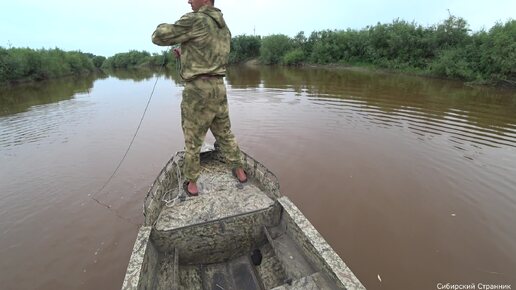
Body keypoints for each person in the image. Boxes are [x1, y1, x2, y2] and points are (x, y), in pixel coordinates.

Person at [152, 0, 247, 196]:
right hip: (218, 87)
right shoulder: (223, 26)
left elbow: (158, 36)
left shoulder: (195, 20)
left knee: (193, 139)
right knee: (225, 133)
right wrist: (185, 52)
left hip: (198, 90)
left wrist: (164, 26)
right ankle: (239, 171)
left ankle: (192, 184)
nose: (188, 1)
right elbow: (207, 53)